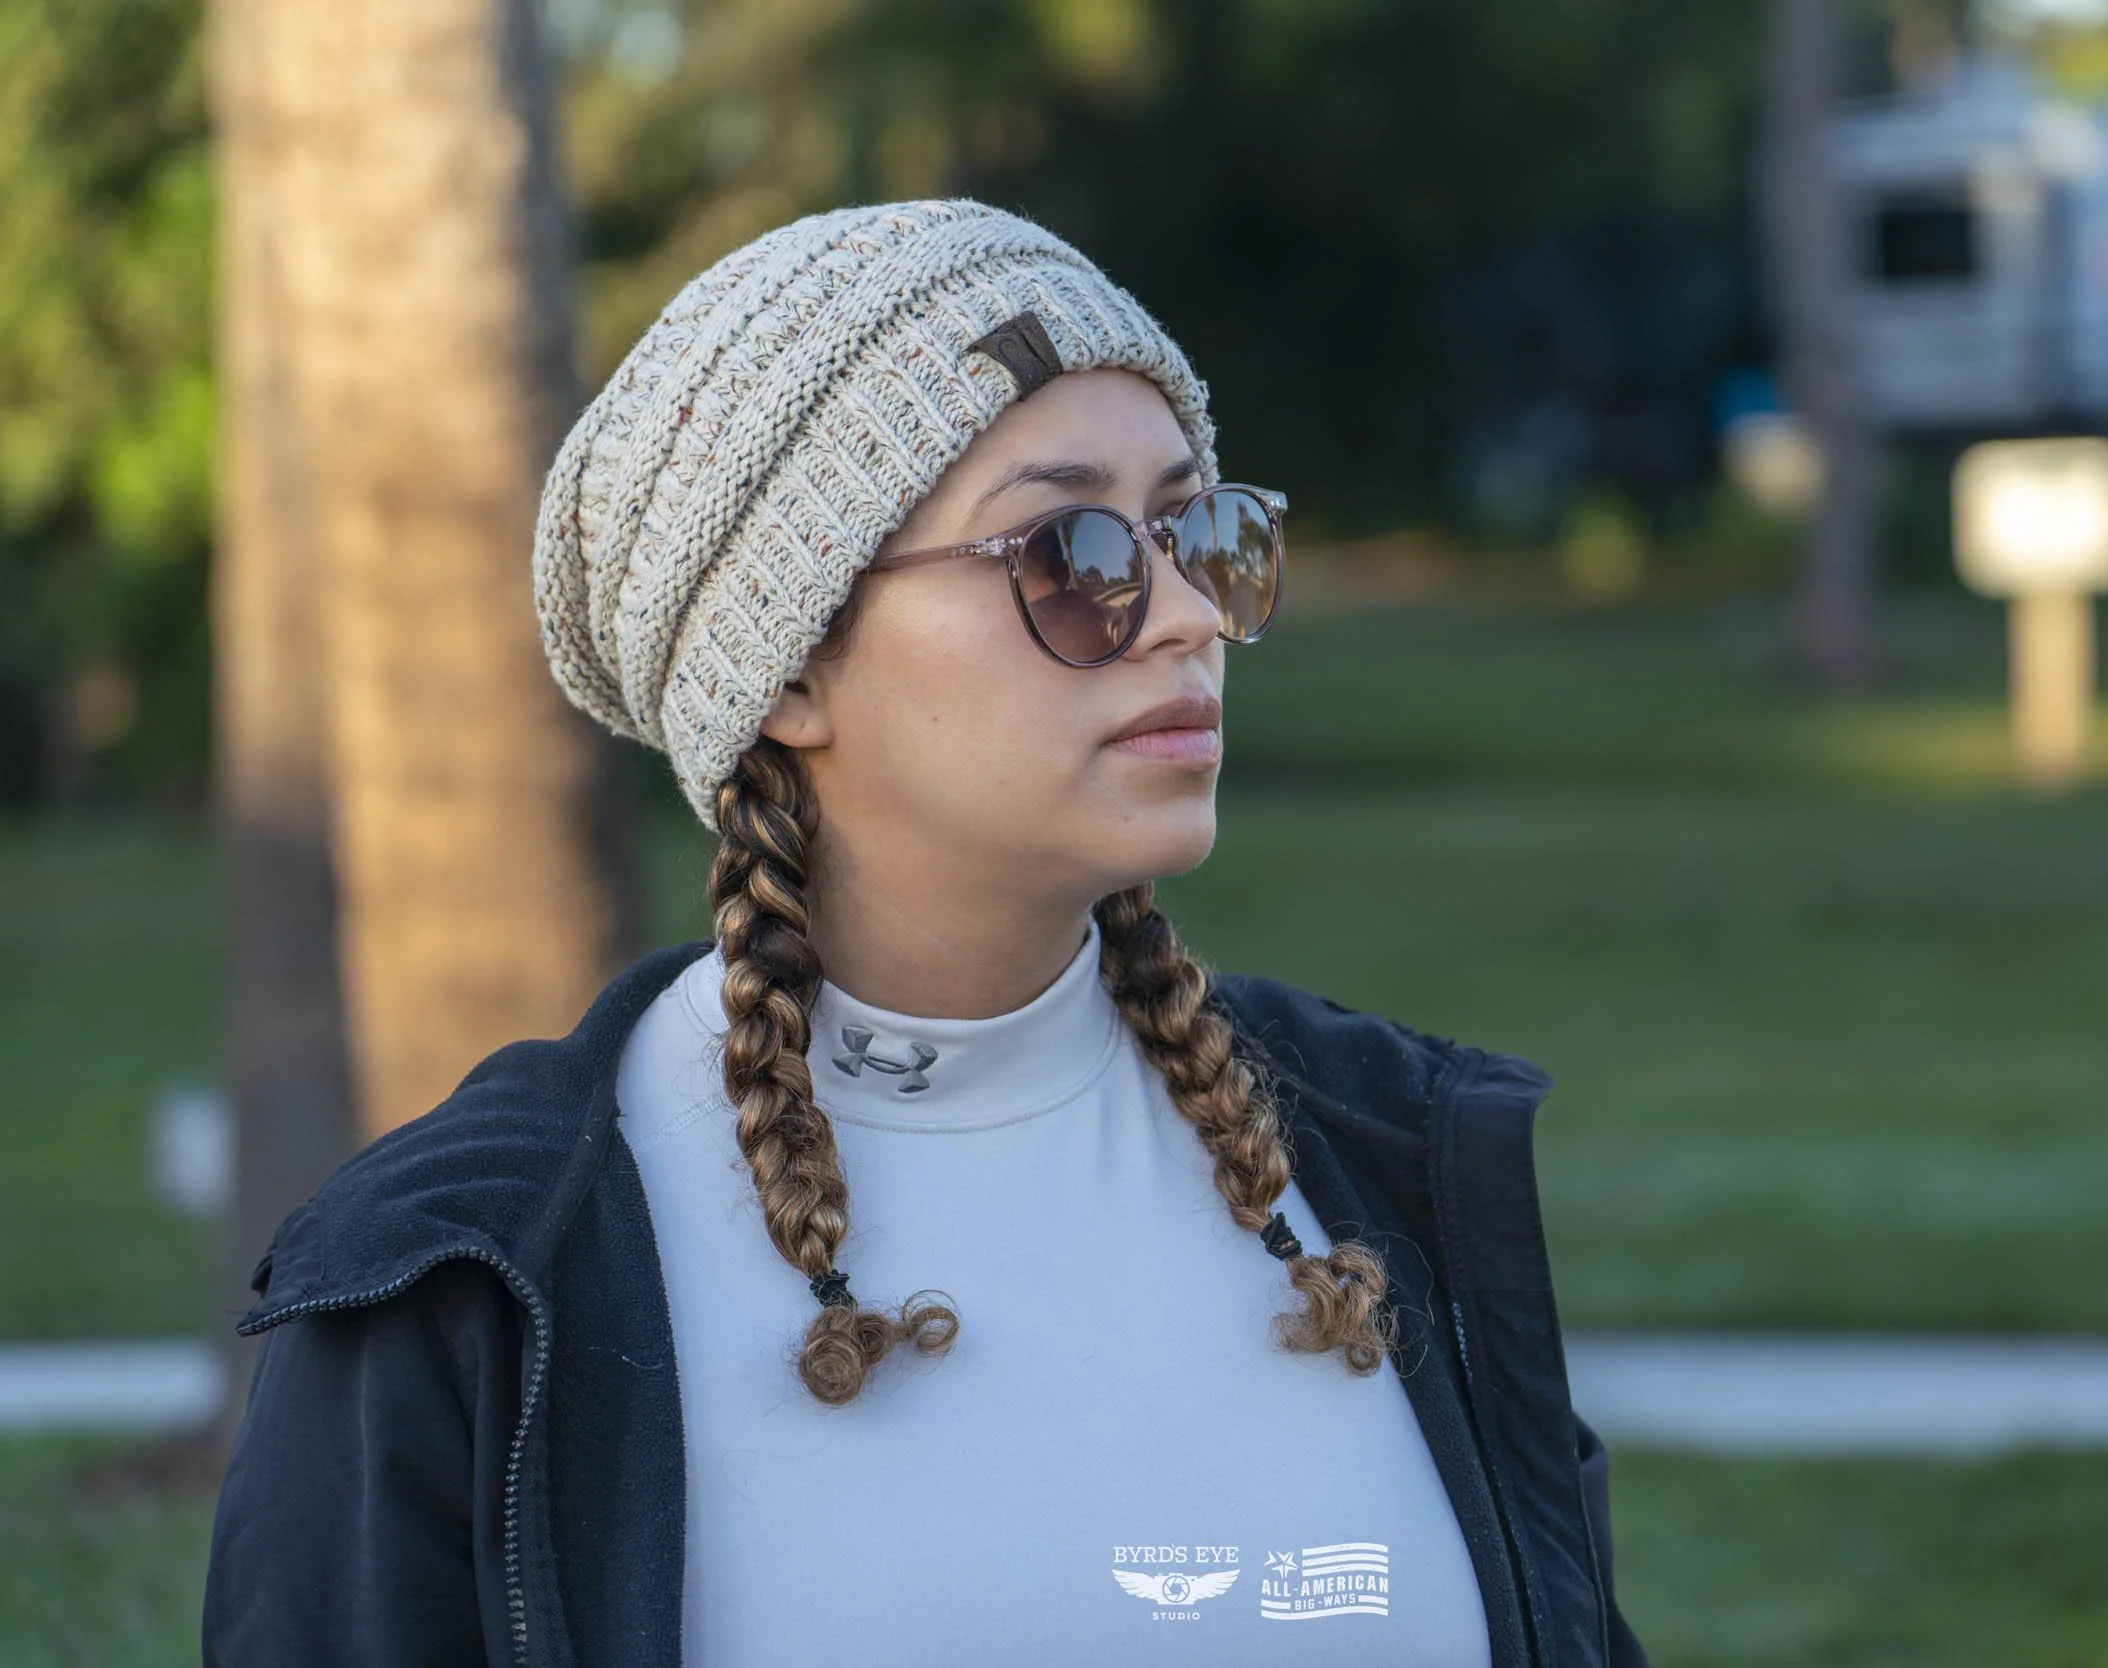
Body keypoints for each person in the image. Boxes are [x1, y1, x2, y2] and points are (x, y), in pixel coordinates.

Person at [199, 200, 1645, 1668]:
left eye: (1199, 531)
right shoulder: (459, 1281)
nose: (1185, 616)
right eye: (1071, 550)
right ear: (789, 667)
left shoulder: (1406, 1164)